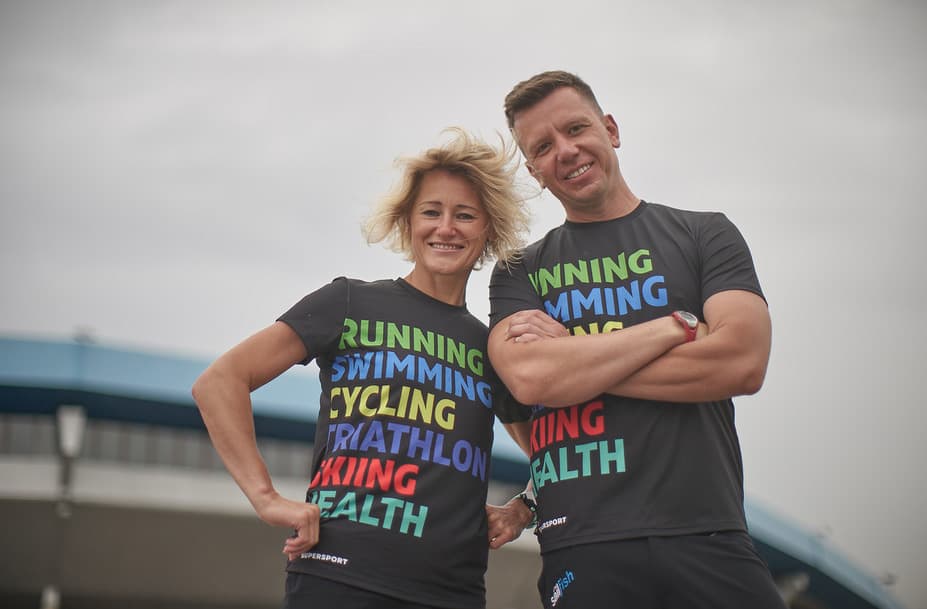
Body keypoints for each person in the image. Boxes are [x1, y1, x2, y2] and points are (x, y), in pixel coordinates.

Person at [192, 128, 534, 609]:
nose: (446, 228)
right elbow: (220, 382)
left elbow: (554, 451)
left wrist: (524, 508)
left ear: (489, 230)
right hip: (338, 578)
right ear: (406, 222)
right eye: (431, 212)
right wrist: (266, 497)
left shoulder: (491, 347)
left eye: (465, 215)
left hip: (450, 593)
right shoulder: (349, 302)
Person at [487, 70, 785, 609]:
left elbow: (742, 362)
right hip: (582, 544)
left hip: (707, 532)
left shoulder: (704, 234)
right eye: (544, 147)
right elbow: (533, 378)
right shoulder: (518, 272)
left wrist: (573, 361)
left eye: (577, 128)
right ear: (533, 170)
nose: (567, 150)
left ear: (610, 129)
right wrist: (676, 329)